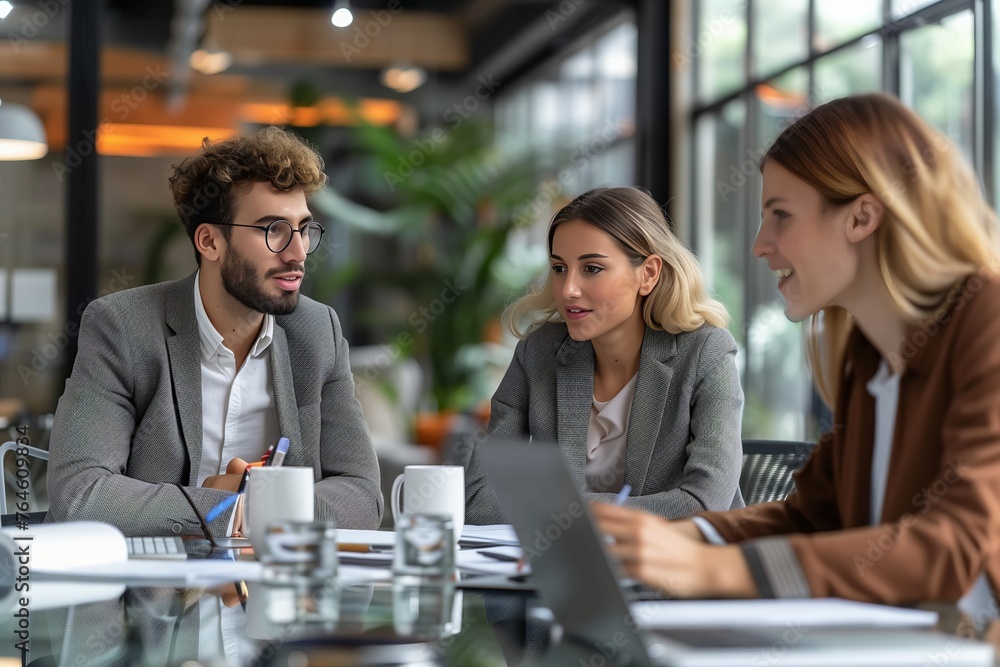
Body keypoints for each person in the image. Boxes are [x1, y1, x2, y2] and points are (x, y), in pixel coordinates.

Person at [595, 93, 1000, 608]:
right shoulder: (869, 356)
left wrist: (714, 569)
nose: (761, 244)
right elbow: (812, 517)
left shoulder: (988, 320)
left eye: (781, 215)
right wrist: (684, 539)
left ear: (861, 217)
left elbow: (956, 544)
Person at [47, 126, 383, 537]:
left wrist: (261, 504)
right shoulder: (122, 328)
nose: (297, 253)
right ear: (209, 241)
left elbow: (362, 492)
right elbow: (81, 494)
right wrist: (220, 507)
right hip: (150, 594)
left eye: (303, 229)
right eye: (273, 230)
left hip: (273, 591)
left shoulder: (318, 333)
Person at [464, 186, 745, 525]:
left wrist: (562, 509)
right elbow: (479, 499)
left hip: (682, 570)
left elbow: (704, 503)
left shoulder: (706, 354)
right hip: (564, 569)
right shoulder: (538, 354)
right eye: (558, 268)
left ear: (648, 274)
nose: (568, 289)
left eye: (592, 268)